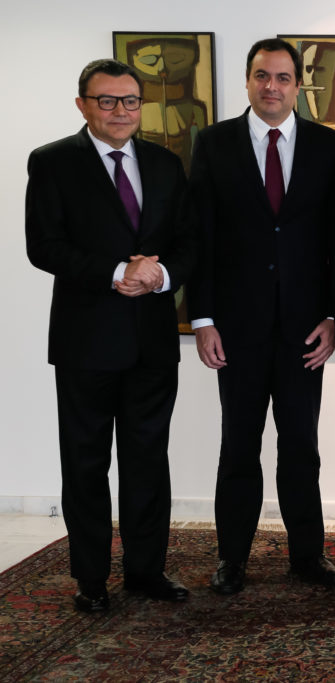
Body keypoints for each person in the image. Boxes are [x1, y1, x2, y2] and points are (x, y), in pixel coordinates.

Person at [25, 58, 195, 611]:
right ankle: (91, 581)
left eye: (128, 101)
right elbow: (43, 246)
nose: (119, 111)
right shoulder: (53, 163)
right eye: (106, 101)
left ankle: (146, 572)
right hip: (85, 343)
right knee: (86, 463)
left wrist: (161, 275)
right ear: (82, 104)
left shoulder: (166, 164)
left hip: (151, 339)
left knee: (149, 459)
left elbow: (190, 244)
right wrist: (112, 273)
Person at [187, 38, 335, 594]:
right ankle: (232, 558)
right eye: (262, 76)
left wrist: (334, 315)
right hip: (237, 329)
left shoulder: (329, 146)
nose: (271, 87)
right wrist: (202, 317)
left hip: (306, 329)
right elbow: (200, 236)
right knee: (238, 447)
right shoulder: (213, 143)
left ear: (298, 85)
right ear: (248, 80)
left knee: (301, 446)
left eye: (282, 77)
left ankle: (308, 556)